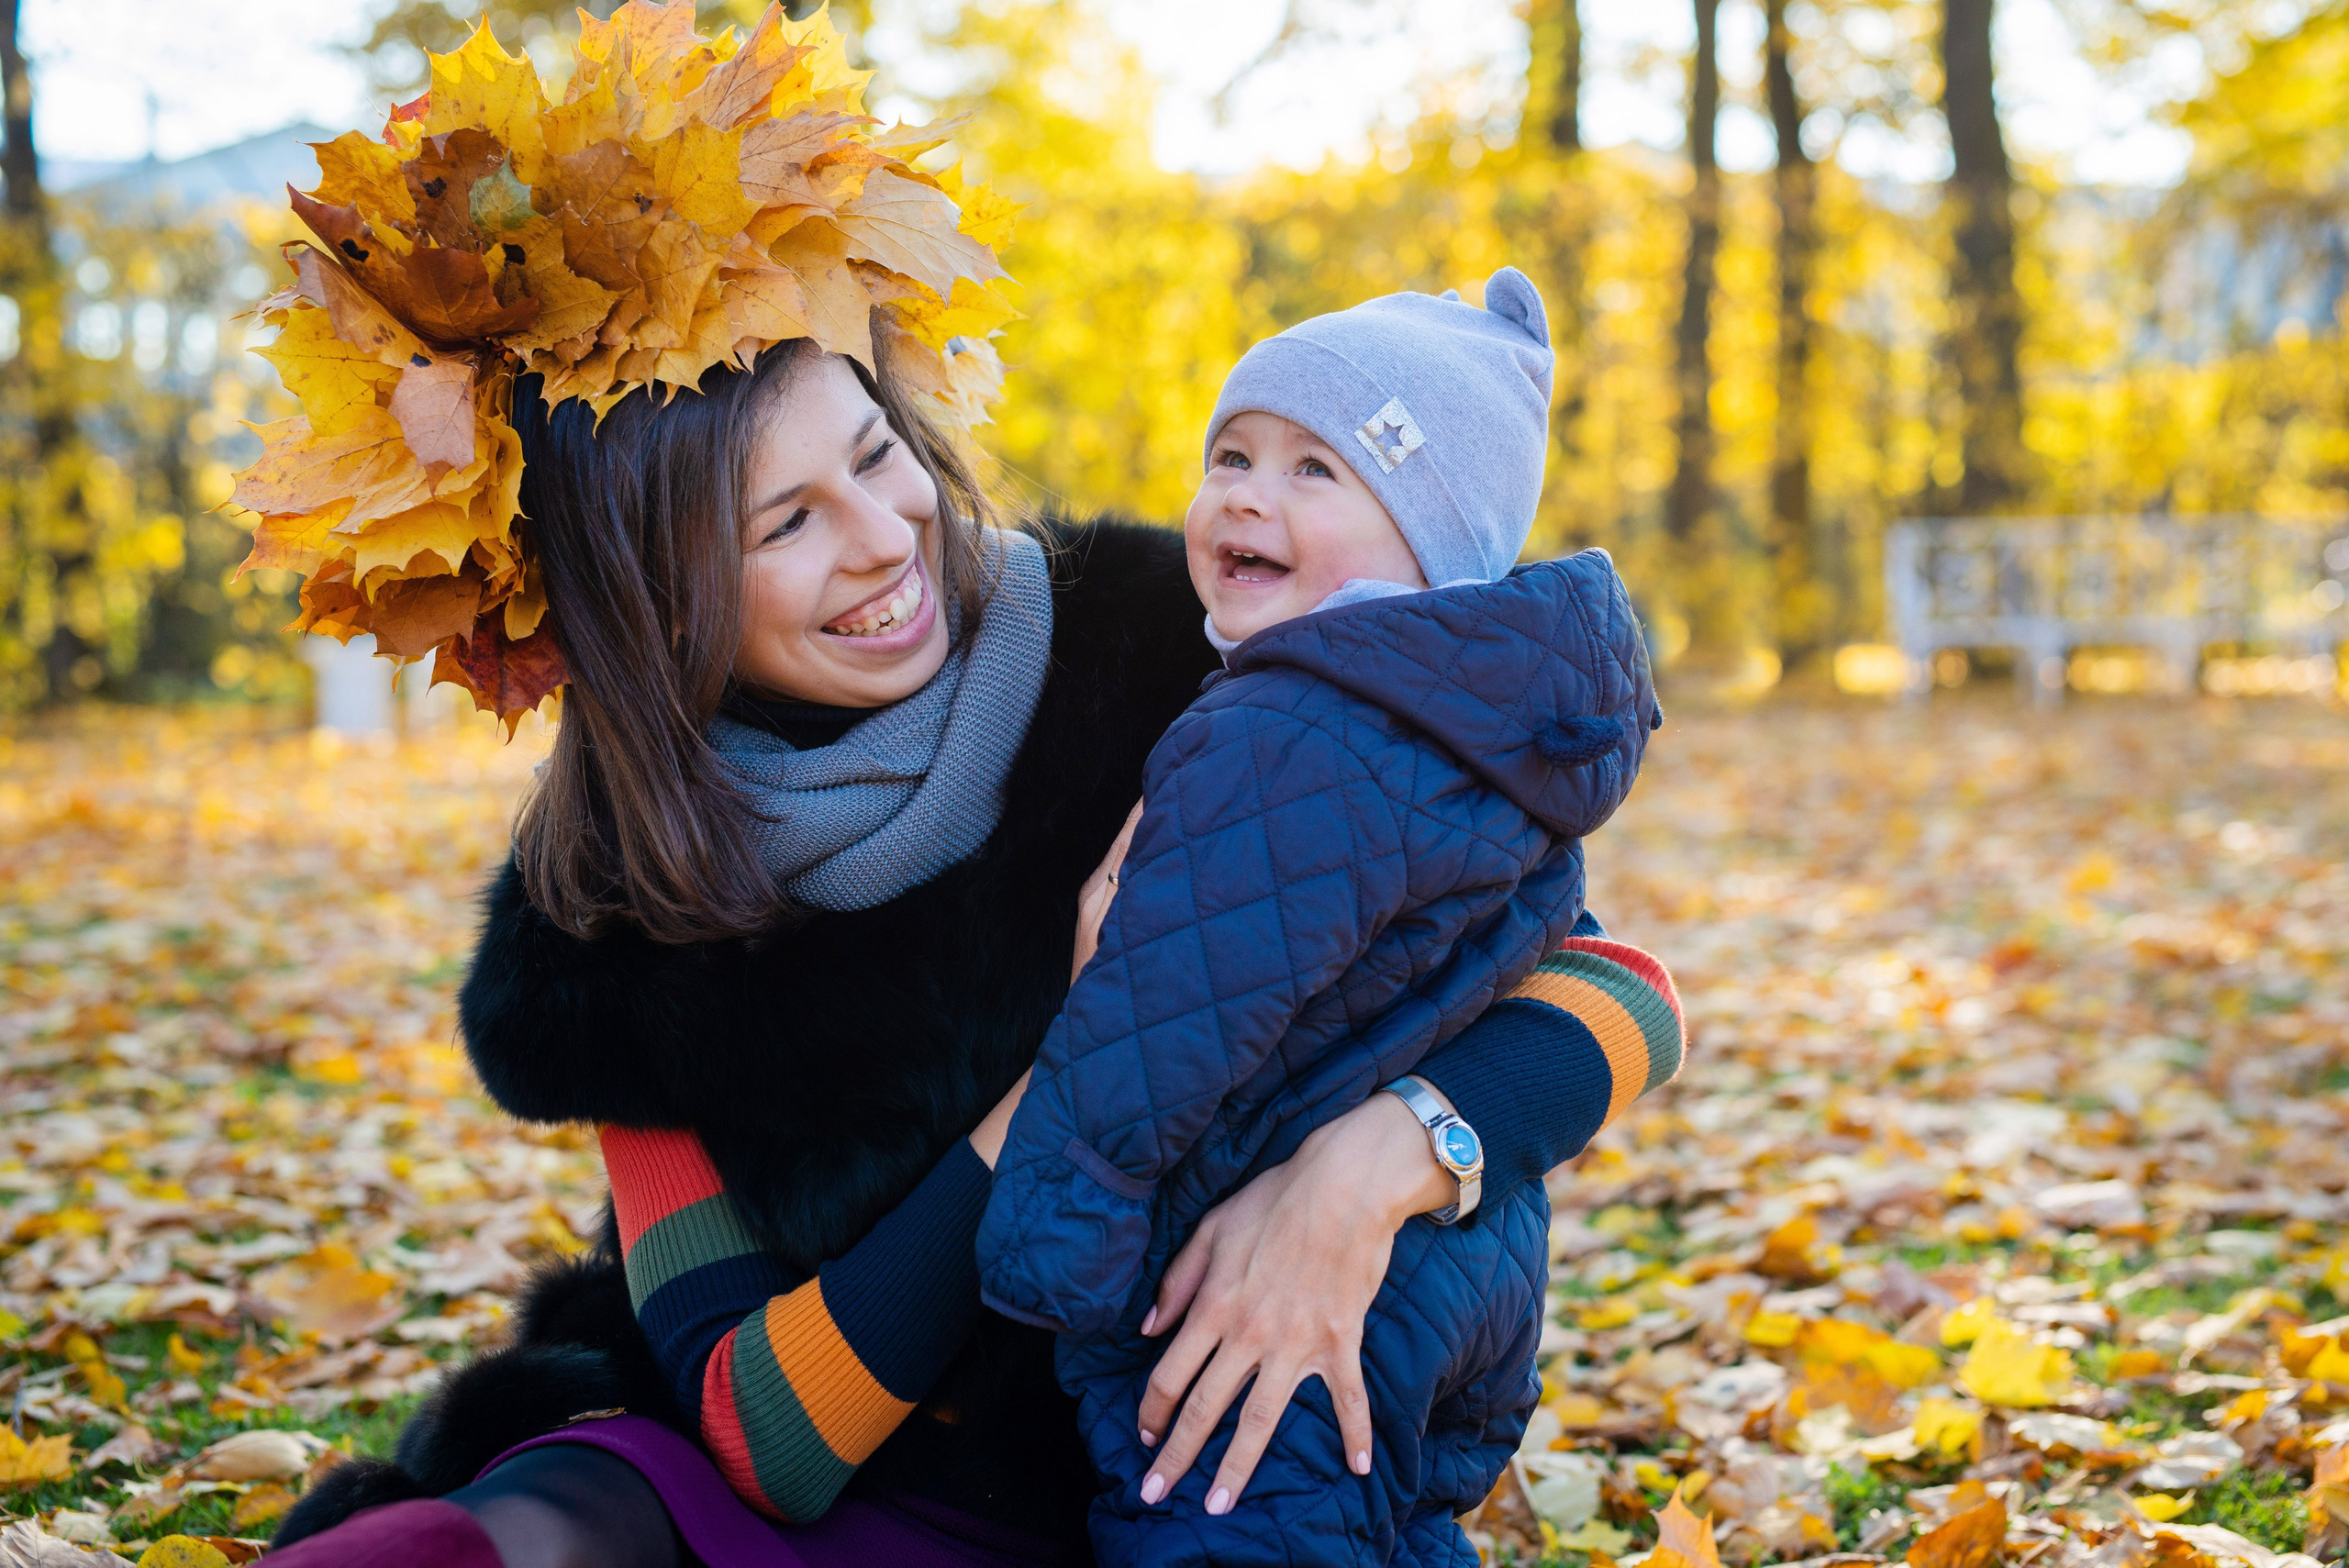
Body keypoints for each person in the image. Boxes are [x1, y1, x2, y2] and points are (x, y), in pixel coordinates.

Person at [977, 269, 1672, 1566]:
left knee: (1221, 1522)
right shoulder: (1491, 741)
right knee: (1385, 1524)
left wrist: (1055, 1242)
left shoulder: (1279, 729)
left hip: (1251, 1280)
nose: (1249, 494)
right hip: (1466, 1267)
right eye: (1232, 455)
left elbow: (1165, 1009)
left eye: (1316, 470)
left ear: (1432, 546)